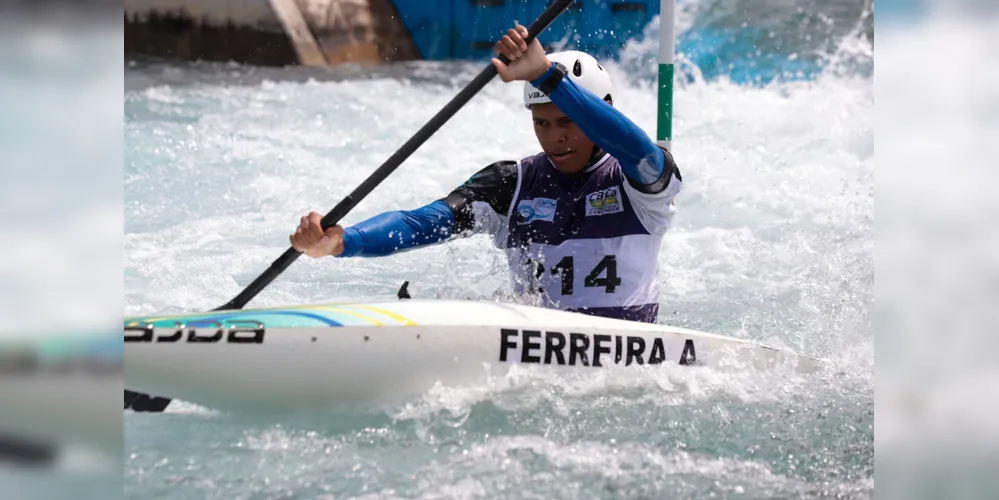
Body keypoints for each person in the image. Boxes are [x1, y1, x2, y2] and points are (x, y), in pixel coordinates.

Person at [290, 24, 683, 323]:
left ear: (604, 109)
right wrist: (345, 242)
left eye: (567, 122)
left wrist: (546, 74)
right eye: (542, 123)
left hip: (628, 356)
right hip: (535, 352)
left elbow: (632, 143)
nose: (555, 138)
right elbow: (418, 223)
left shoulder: (643, 181)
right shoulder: (511, 184)